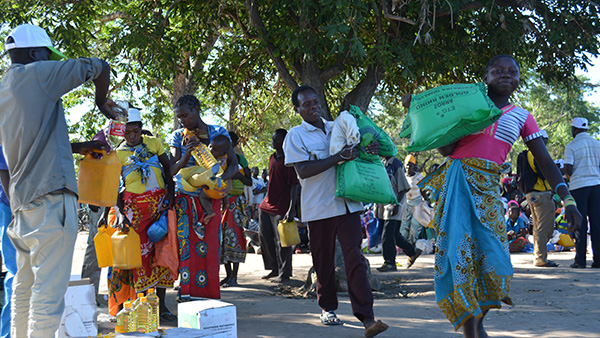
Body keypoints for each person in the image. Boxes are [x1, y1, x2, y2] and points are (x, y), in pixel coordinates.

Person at [405, 54, 581, 338]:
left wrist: (567, 200)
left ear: (519, 80)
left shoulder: (523, 117)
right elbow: (447, 149)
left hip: (488, 189)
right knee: (459, 255)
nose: (505, 75)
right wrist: (420, 113)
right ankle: (470, 327)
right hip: (458, 185)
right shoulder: (468, 106)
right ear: (485, 77)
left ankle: (477, 318)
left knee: (496, 259)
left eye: (512, 71)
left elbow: (546, 163)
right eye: (498, 71)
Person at [0, 24, 120, 337]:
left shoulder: (5, 89)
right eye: (47, 55)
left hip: (22, 205)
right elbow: (98, 66)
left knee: (24, 289)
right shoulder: (38, 73)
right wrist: (101, 100)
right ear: (35, 54)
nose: (50, 61)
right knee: (49, 296)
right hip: (52, 199)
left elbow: (34, 143)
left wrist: (80, 147)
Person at [283, 85, 388, 337]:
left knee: (356, 258)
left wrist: (369, 149)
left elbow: (358, 151)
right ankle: (327, 307)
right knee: (323, 261)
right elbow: (303, 171)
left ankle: (367, 317)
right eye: (306, 104)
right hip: (319, 208)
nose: (313, 107)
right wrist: (338, 157)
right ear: (297, 109)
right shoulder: (295, 136)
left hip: (348, 204)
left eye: (315, 101)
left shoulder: (338, 126)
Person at [106, 108, 176, 320]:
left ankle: (161, 305)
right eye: (127, 133)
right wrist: (119, 212)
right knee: (136, 258)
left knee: (160, 255)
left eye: (135, 130)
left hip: (158, 210)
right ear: (123, 133)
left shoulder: (154, 143)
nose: (132, 135)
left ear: (141, 128)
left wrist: (171, 197)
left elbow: (168, 171)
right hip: (134, 213)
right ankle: (136, 305)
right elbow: (114, 187)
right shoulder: (118, 154)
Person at [169, 94, 238, 301]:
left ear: (197, 109)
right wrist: (186, 155)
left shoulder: (218, 133)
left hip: (210, 196)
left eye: (185, 115)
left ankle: (208, 293)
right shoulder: (178, 136)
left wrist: (222, 182)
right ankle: (187, 291)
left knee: (210, 245)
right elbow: (172, 169)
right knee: (187, 245)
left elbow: (233, 163)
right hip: (186, 198)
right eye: (179, 117)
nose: (182, 121)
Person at [258, 129, 300, 283]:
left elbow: (295, 186)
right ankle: (274, 268)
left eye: (277, 139)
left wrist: (291, 209)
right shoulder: (272, 158)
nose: (273, 141)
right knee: (265, 239)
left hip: (281, 207)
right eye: (273, 138)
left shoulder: (289, 161)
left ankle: (285, 273)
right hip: (266, 205)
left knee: (282, 242)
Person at [564, 117, 600, 268]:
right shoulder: (597, 144)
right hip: (597, 185)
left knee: (580, 222)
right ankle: (598, 260)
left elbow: (568, 170)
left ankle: (580, 261)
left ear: (574, 129)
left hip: (579, 186)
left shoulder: (571, 145)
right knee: (597, 222)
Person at [375, 155, 422, 272]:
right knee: (394, 234)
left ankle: (390, 263)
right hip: (386, 204)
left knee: (387, 235)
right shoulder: (383, 163)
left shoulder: (395, 163)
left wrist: (397, 205)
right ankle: (413, 251)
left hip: (395, 203)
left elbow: (404, 187)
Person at [519, 130, 558, 267]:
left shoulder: (526, 154)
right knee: (545, 227)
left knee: (537, 227)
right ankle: (541, 258)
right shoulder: (539, 154)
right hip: (542, 193)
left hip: (531, 194)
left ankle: (538, 256)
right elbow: (544, 172)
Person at [220, 131, 253, 287]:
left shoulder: (241, 160)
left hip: (237, 203)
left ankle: (234, 276)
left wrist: (238, 176)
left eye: (231, 143)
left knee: (236, 237)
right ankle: (227, 275)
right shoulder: (219, 159)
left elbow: (249, 182)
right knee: (223, 239)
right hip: (222, 203)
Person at [0, 147, 16, 338]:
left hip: (30, 204)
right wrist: (14, 206)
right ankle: (8, 334)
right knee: (17, 274)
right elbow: (3, 168)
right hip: (11, 207)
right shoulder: (8, 124)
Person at [400, 154, 425, 245]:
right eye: (407, 164)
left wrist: (427, 201)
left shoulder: (418, 176)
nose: (408, 166)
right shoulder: (402, 176)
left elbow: (423, 190)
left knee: (414, 226)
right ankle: (403, 246)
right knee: (403, 227)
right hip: (406, 204)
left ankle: (411, 246)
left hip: (417, 204)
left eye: (411, 164)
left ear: (414, 166)